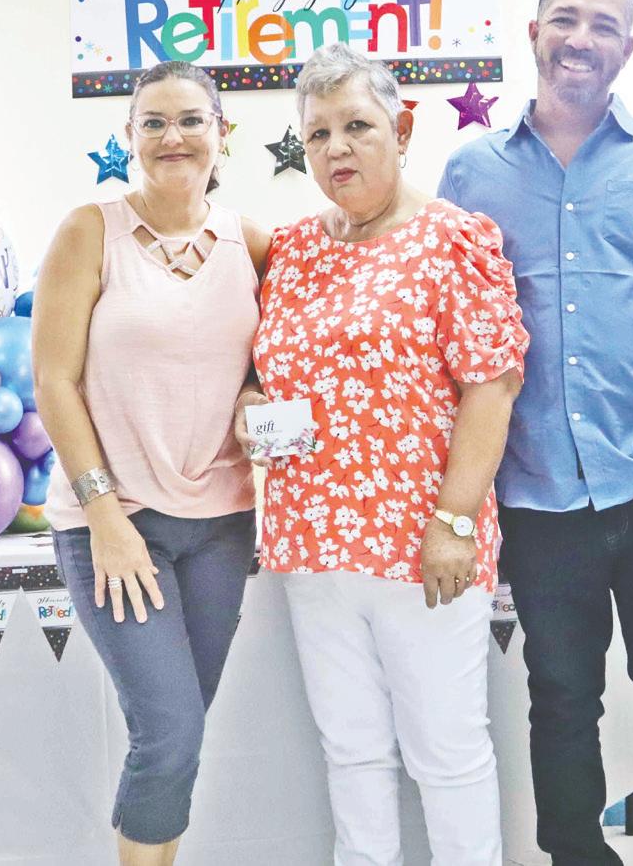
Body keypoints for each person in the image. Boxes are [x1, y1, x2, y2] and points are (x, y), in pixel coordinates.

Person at [440, 0, 633, 866]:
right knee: (562, 697)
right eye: (566, 19)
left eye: (604, 25)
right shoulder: (471, 169)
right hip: (534, 485)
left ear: (628, 48)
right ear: (534, 33)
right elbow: (442, 321)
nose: (581, 39)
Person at [244, 42, 527, 866]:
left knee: (447, 752)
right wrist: (251, 406)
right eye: (319, 132)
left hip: (421, 547)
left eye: (357, 126)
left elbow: (492, 386)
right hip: (314, 546)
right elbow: (264, 369)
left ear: (401, 130)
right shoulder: (292, 251)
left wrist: (455, 521)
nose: (337, 147)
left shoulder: (452, 239)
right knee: (353, 752)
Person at [32, 59, 268, 865]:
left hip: (221, 526)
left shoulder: (252, 243)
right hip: (115, 520)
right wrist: (105, 514)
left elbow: (273, 361)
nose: (174, 136)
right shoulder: (89, 231)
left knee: (181, 730)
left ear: (221, 134)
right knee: (168, 731)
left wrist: (255, 392)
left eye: (191, 119)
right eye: (155, 122)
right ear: (129, 136)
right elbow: (53, 380)